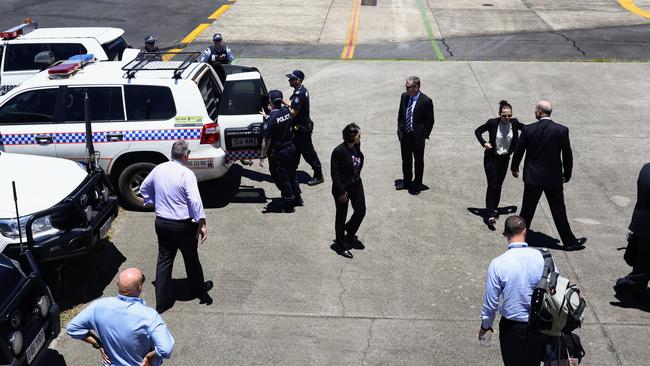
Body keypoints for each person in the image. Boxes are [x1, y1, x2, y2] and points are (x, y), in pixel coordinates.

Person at [140, 140, 213, 313]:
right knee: (191, 258)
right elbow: (195, 200)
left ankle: (162, 302)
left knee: (164, 260)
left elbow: (144, 187)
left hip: (162, 223)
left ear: (172, 153)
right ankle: (198, 290)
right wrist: (202, 222)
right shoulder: (186, 174)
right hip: (183, 226)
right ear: (186, 155)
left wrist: (154, 202)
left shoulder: (159, 169)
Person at [510, 100, 586, 250]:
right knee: (558, 209)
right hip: (553, 177)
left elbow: (519, 150)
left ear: (539, 111)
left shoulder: (529, 130)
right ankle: (569, 241)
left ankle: (518, 238)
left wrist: (514, 167)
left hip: (533, 177)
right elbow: (567, 154)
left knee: (527, 210)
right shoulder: (561, 130)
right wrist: (568, 171)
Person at [66, 268, 174, 366]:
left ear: (118, 284)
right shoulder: (149, 316)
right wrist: (149, 357)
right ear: (140, 287)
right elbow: (166, 349)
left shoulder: (98, 306)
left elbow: (72, 328)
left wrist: (99, 344)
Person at [479, 215, 549, 365]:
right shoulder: (543, 257)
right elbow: (554, 289)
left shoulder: (498, 264)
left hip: (512, 327)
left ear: (505, 234)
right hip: (540, 325)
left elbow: (491, 303)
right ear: (525, 231)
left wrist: (486, 326)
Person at [475, 100, 525, 230]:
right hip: (491, 158)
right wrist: (484, 143)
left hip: (504, 159)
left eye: (509, 115)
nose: (507, 118)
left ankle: (494, 209)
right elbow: (478, 131)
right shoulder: (492, 123)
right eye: (504, 115)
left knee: (498, 185)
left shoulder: (514, 123)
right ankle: (490, 214)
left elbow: (527, 129)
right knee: (492, 185)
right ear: (500, 114)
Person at [260, 89, 301, 212]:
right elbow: (290, 109)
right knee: (292, 174)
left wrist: (262, 156)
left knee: (281, 177)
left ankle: (289, 204)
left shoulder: (271, 120)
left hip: (279, 153)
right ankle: (297, 197)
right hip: (291, 149)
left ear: (270, 101)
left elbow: (266, 141)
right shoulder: (287, 111)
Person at [614, 163, 650, 304]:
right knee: (644, 267)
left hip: (640, 222)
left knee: (642, 262)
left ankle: (637, 292)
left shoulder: (646, 169)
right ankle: (625, 284)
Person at [331, 123, 365, 259]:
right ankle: (341, 245)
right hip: (342, 189)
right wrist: (340, 191)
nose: (360, 137)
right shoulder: (338, 151)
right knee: (341, 216)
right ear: (351, 136)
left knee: (361, 211)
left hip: (356, 184)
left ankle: (350, 230)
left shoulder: (356, 146)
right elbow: (335, 174)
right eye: (358, 135)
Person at [396, 76, 435, 195]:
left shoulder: (426, 101)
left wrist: (424, 135)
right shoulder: (404, 97)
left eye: (408, 87)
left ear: (416, 87)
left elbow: (430, 121)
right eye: (406, 87)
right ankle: (407, 181)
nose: (406, 89)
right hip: (406, 135)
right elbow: (401, 114)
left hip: (417, 137)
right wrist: (400, 130)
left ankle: (417, 183)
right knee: (406, 160)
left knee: (418, 162)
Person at [285, 69, 324, 186]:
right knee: (295, 151)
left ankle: (318, 175)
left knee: (308, 153)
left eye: (292, 79)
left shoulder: (299, 94)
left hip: (302, 130)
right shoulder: (300, 91)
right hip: (299, 128)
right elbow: (293, 104)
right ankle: (291, 172)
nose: (289, 80)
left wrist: (279, 115)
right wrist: (282, 101)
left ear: (298, 80)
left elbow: (293, 112)